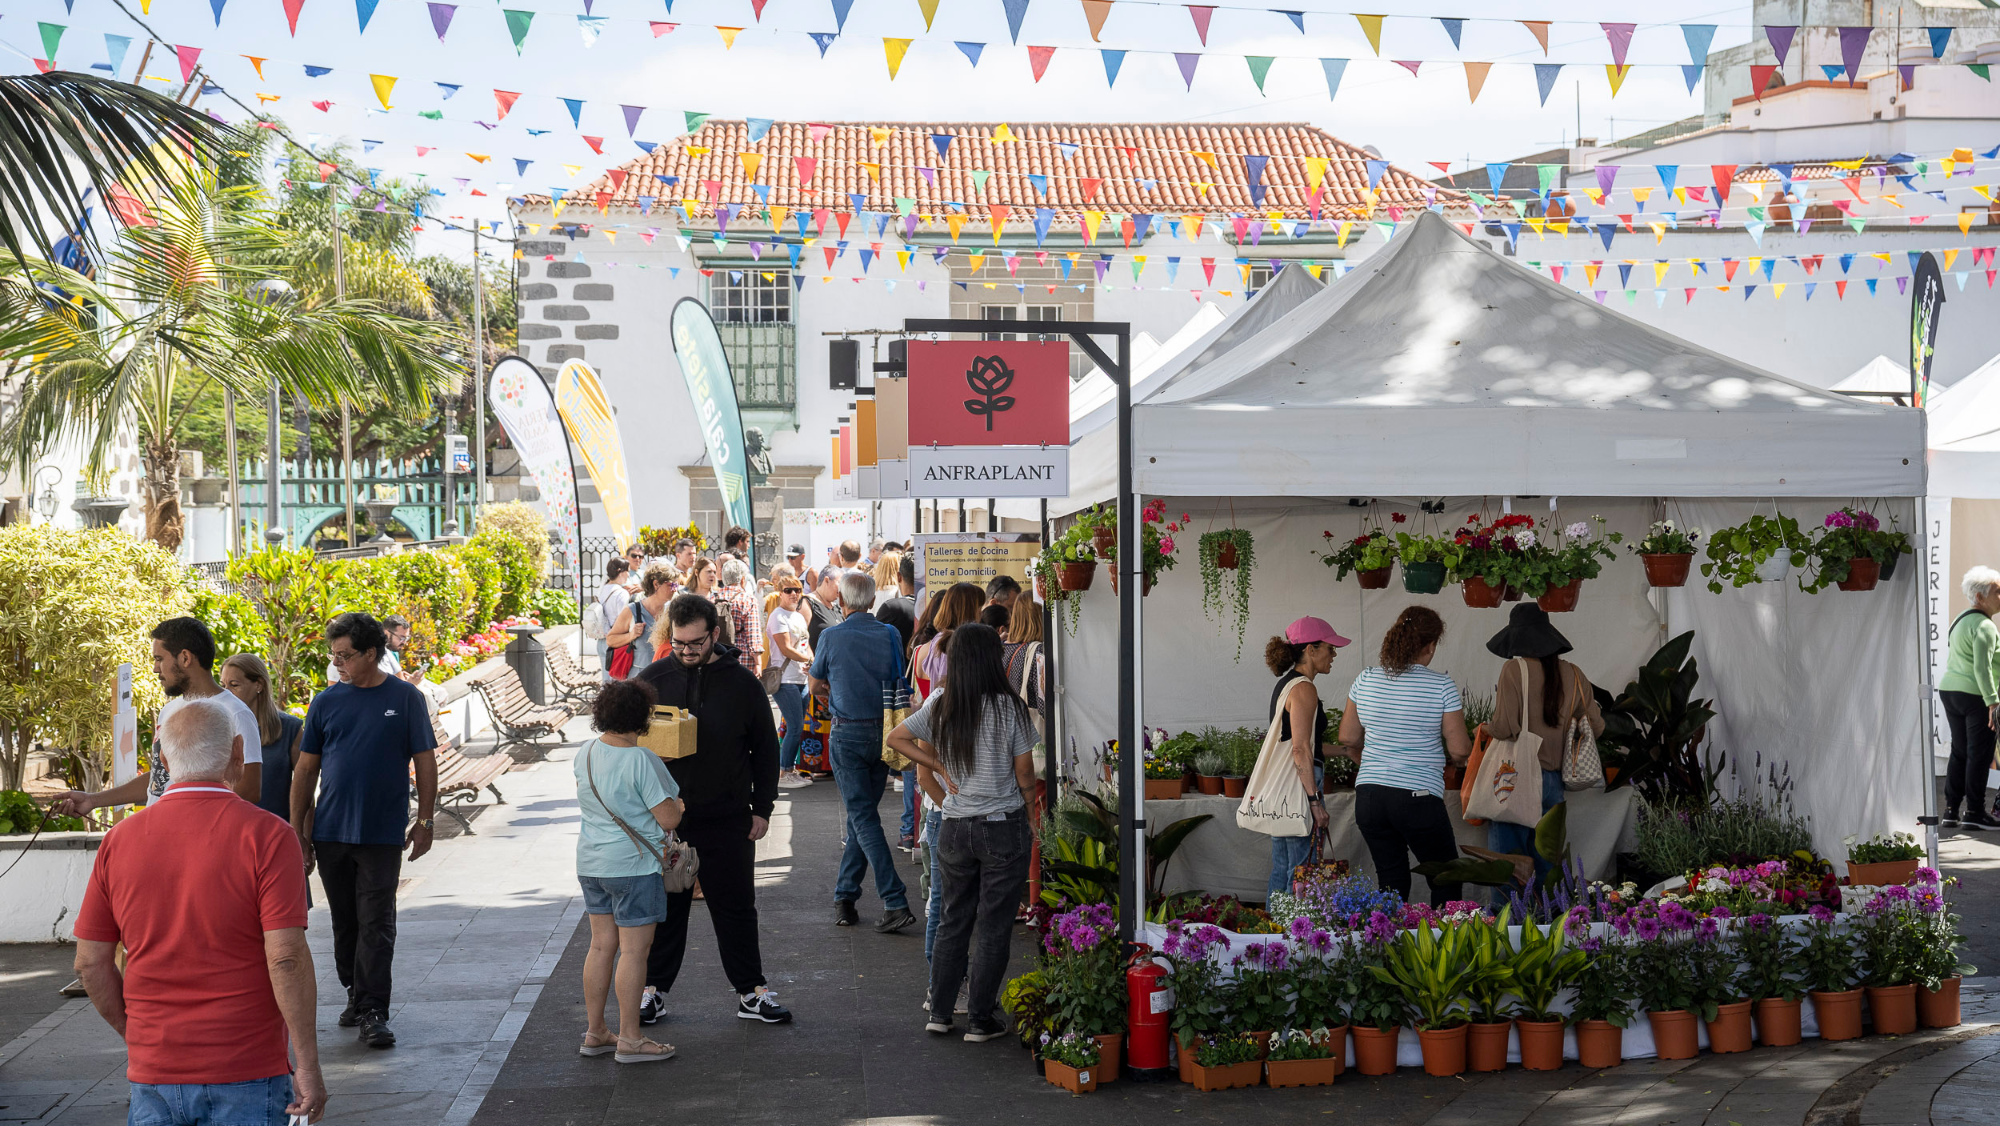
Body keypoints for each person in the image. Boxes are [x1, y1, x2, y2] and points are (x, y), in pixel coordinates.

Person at [72, 697, 327, 1126]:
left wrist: (136, 1036)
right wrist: (307, 1065)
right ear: (237, 754)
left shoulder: (120, 840)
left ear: (164, 758)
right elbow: (285, 957)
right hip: (247, 1065)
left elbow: (89, 962)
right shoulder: (268, 835)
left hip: (154, 1072)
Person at [634, 595, 790, 1025]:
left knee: (736, 907)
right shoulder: (653, 678)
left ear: (715, 635)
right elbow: (623, 743)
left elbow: (766, 750)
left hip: (728, 814)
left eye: (695, 643)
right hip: (668, 821)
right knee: (667, 912)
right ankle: (653, 990)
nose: (686, 651)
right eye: (679, 643)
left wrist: (763, 808)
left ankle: (751, 992)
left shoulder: (742, 683)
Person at [290, 612, 437, 1049]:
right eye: (334, 655)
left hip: (382, 833)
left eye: (345, 656)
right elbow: (305, 770)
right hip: (331, 832)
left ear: (371, 654)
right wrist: (298, 831)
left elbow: (424, 761)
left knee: (377, 922)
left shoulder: (405, 698)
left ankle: (375, 1010)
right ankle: (355, 993)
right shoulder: (325, 701)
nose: (338, 664)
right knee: (344, 923)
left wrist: (425, 820)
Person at [886, 624, 1038, 1043]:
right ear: (993, 658)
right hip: (1001, 827)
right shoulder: (1010, 707)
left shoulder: (942, 702)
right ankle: (980, 1019)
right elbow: (1025, 771)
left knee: (953, 920)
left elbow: (896, 737)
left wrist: (934, 766)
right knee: (993, 926)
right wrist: (1033, 810)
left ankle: (939, 1011)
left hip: (953, 827)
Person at [52, 617, 265, 816]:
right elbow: (159, 779)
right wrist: (93, 800)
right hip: (160, 835)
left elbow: (249, 789)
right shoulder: (169, 711)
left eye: (159, 659)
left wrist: (187, 822)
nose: (155, 669)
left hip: (195, 841)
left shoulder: (236, 713)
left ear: (185, 658)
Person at [574, 678, 683, 1064]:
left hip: (591, 863)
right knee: (635, 953)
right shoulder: (642, 759)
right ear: (643, 718)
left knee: (601, 946)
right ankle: (631, 1039)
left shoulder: (584, 752)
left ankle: (595, 1031)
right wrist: (680, 804)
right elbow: (668, 816)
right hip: (633, 866)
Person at [1337, 606, 1473, 906]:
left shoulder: (1366, 678)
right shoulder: (1441, 686)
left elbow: (1347, 737)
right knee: (1445, 877)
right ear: (1431, 645)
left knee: (1391, 879)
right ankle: (1440, 949)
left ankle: (1388, 947)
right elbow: (1460, 749)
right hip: (1418, 796)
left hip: (1370, 795)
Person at [807, 571, 915, 932]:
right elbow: (899, 679)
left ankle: (894, 899)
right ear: (871, 601)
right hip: (884, 731)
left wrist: (833, 693)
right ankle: (845, 896)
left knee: (863, 818)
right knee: (862, 817)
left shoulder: (831, 636)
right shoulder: (890, 633)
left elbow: (815, 684)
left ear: (842, 601)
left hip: (848, 732)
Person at [1484, 604, 1606, 870]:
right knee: (1546, 865)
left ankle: (1508, 912)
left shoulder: (1514, 670)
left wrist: (1484, 729)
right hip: (1554, 782)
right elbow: (1595, 727)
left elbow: (1505, 727)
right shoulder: (1574, 673)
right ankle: (1550, 912)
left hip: (1516, 777)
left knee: (1509, 864)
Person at [1262, 617, 1353, 898]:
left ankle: (1272, 932)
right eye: (1330, 647)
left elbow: (1301, 743)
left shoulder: (1286, 685)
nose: (1333, 655)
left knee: (1284, 867)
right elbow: (1300, 748)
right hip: (1301, 785)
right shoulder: (1304, 688)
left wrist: (1346, 751)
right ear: (1311, 649)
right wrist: (1315, 802)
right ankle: (1295, 936)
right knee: (1302, 869)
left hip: (1285, 785)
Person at [1939, 566, 2000, 829]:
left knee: (1960, 750)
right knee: (1979, 753)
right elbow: (1981, 667)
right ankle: (1974, 812)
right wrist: (1993, 702)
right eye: (1998, 591)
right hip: (1976, 695)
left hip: (1950, 691)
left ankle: (1951, 810)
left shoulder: (1960, 619)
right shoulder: (1985, 625)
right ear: (1980, 597)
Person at [223, 654, 304, 823]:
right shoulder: (219, 729)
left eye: (234, 685)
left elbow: (304, 788)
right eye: (223, 686)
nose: (226, 693)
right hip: (231, 827)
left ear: (258, 685)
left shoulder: (290, 729)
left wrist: (301, 833)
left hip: (276, 830)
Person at [765, 577, 815, 789]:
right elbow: (785, 648)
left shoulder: (798, 616)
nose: (794, 594)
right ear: (780, 593)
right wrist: (809, 660)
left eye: (797, 590)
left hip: (801, 678)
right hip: (784, 679)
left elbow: (805, 644)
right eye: (789, 590)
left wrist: (811, 661)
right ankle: (784, 772)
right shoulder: (777, 616)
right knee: (794, 726)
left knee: (796, 726)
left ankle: (789, 769)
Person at [607, 564, 675, 677]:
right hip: (639, 678)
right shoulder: (632, 610)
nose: (675, 589)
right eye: (672, 585)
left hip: (665, 675)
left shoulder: (672, 610)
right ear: (656, 584)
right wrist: (631, 635)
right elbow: (610, 640)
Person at [325, 614, 409, 685]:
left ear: (370, 654)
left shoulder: (406, 695)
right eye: (333, 655)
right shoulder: (326, 699)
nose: (335, 663)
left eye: (343, 655)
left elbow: (400, 681)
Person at [715, 558, 766, 673]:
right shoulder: (748, 600)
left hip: (717, 655)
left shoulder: (713, 598)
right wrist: (758, 662)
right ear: (743, 579)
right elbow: (753, 634)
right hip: (742, 657)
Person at [594, 559, 634, 672]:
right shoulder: (621, 593)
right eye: (628, 571)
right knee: (616, 680)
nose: (628, 575)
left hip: (601, 639)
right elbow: (624, 619)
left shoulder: (602, 589)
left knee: (606, 680)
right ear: (621, 572)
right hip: (615, 640)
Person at [805, 565, 845, 649]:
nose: (842, 589)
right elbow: (800, 636)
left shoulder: (836, 607)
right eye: (840, 583)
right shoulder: (807, 603)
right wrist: (810, 660)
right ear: (826, 580)